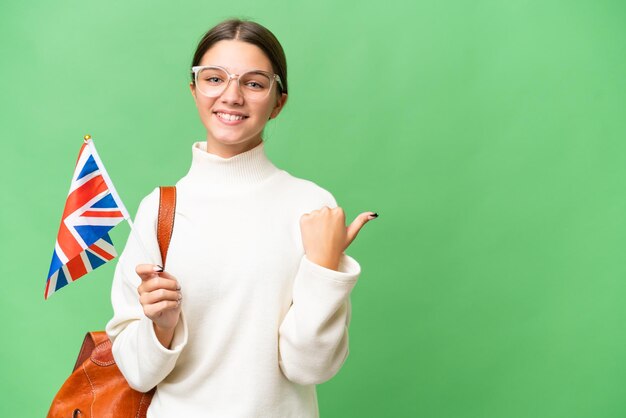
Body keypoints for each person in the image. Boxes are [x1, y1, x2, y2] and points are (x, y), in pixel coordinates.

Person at [105, 18, 377, 417]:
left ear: (278, 101)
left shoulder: (312, 206)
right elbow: (136, 374)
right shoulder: (161, 209)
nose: (231, 96)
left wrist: (324, 271)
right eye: (214, 78)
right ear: (194, 89)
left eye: (253, 83)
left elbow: (309, 367)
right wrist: (161, 327)